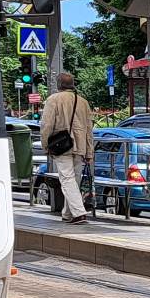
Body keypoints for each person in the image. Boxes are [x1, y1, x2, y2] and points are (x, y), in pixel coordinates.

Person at [40, 71, 96, 224]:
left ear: (59, 85)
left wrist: (45, 144)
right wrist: (89, 151)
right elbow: (89, 128)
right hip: (80, 145)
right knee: (74, 180)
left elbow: (47, 125)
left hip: (61, 145)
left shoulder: (53, 100)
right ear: (72, 84)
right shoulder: (83, 102)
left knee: (67, 179)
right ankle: (68, 213)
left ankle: (79, 212)